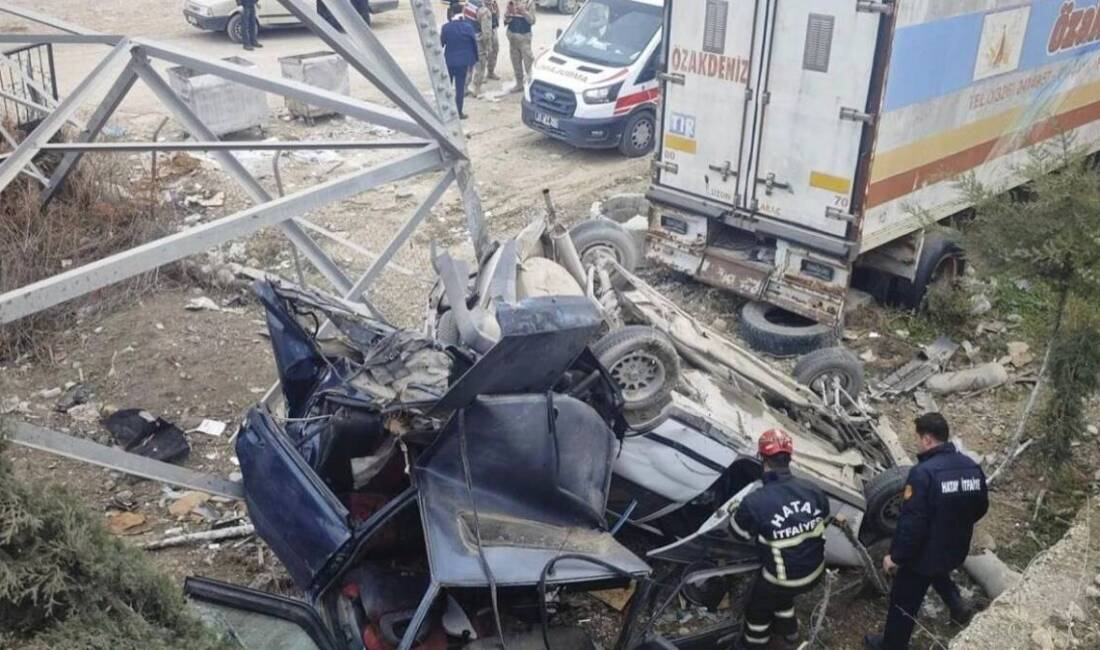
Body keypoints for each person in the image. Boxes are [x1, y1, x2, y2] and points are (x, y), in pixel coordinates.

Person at [864, 413, 989, 650]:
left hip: (923, 552)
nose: (918, 443)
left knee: (904, 599)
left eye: (919, 439)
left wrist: (895, 557)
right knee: (937, 568)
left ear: (928, 440)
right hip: (955, 545)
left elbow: (912, 524)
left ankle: (892, 645)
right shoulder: (971, 467)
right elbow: (981, 507)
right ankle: (957, 606)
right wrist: (955, 525)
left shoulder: (924, 473)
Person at [730, 429, 830, 649]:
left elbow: (739, 534)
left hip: (784, 578)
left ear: (762, 459)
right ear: (789, 458)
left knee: (757, 609)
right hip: (815, 572)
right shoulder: (813, 490)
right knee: (783, 598)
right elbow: (824, 519)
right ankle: (789, 633)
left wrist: (735, 511)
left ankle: (754, 644)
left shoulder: (755, 501)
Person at [440, 4, 479, 119]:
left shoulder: (446, 27)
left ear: (451, 13)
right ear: (462, 11)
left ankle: (445, 111)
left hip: (450, 61)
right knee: (460, 88)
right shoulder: (468, 27)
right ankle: (459, 112)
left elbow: (441, 43)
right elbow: (474, 45)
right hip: (463, 63)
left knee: (447, 87)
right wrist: (474, 59)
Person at [504, 0, 536, 92]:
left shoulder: (529, 2)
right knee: (515, 62)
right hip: (512, 36)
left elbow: (532, 20)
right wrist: (508, 14)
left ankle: (532, 85)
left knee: (528, 62)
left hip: (524, 37)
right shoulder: (511, 1)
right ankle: (519, 84)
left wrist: (524, 12)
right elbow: (506, 20)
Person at [470, 0, 494, 96]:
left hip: (469, 37)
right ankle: (477, 88)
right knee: (480, 64)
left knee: (469, 65)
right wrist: (488, 46)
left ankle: (464, 87)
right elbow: (486, 33)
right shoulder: (484, 11)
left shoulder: (469, 4)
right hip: (478, 40)